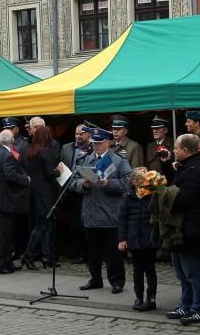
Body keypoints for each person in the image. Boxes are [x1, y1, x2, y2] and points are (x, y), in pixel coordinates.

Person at [157, 134, 200, 323]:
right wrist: (166, 166)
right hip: (178, 228)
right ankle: (185, 305)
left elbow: (184, 199)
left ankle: (198, 308)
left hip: (191, 229)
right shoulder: (187, 166)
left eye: (176, 148)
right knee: (181, 272)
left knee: (193, 272)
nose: (173, 151)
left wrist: (158, 191)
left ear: (186, 151)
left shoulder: (195, 170)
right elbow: (176, 184)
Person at [72, 128, 131, 293]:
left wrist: (110, 184)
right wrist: (83, 184)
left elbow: (129, 181)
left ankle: (117, 281)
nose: (96, 146)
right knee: (93, 252)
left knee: (113, 252)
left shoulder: (118, 160)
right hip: (90, 212)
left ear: (107, 142)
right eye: (94, 143)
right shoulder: (85, 159)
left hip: (110, 213)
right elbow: (74, 181)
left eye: (99, 143)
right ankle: (95, 279)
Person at [0, 129, 31, 275]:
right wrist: (26, 179)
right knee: (3, 236)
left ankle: (7, 263)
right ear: (12, 142)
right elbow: (10, 175)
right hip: (5, 201)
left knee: (4, 234)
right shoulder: (8, 155)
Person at [118, 168, 161, 311]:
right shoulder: (128, 197)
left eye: (141, 181)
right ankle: (138, 297)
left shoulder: (153, 196)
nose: (138, 183)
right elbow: (122, 219)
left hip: (149, 238)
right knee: (137, 270)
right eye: (136, 180)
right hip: (134, 238)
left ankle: (151, 298)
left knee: (150, 269)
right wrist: (122, 239)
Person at [22, 126, 61, 269]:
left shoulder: (30, 151)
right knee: (43, 225)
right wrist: (59, 171)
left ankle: (46, 256)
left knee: (45, 224)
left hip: (33, 192)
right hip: (45, 194)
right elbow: (50, 173)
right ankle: (29, 255)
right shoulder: (46, 152)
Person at [60, 123, 92, 263]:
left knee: (84, 223)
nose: (78, 136)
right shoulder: (66, 147)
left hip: (85, 191)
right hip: (69, 190)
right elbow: (61, 166)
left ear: (89, 135)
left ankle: (86, 253)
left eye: (81, 133)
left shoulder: (92, 149)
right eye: (76, 133)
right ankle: (75, 249)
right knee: (73, 223)